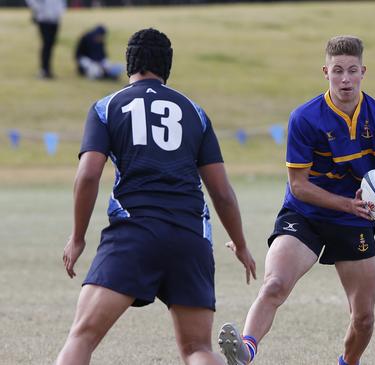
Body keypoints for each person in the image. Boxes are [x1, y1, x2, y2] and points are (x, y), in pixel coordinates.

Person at [217, 35, 375, 365]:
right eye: (338, 71)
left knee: (364, 318)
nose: (345, 79)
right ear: (326, 72)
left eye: (352, 70)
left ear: (363, 72)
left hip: (354, 222)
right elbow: (298, 185)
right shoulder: (305, 117)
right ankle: (246, 350)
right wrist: (345, 203)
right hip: (306, 214)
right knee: (275, 284)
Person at [55, 28, 256, 365]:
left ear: (128, 63)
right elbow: (221, 192)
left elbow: (88, 174)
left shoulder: (107, 107)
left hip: (135, 232)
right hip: (190, 236)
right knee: (197, 349)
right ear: (168, 66)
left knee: (83, 336)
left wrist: (77, 237)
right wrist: (241, 243)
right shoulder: (195, 112)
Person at [25, 0, 65, 79]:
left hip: (55, 19)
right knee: (47, 43)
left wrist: (59, 11)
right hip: (44, 19)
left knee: (51, 45)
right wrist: (39, 10)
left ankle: (48, 69)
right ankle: (44, 69)